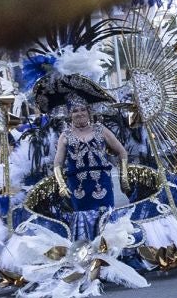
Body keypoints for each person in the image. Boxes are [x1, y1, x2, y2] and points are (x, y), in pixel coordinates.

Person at [50, 101, 128, 240]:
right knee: (82, 215)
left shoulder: (100, 130)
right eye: (75, 111)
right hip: (78, 187)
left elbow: (122, 152)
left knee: (106, 215)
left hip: (102, 183)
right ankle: (86, 253)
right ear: (69, 114)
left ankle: (109, 249)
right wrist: (62, 185)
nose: (79, 113)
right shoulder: (65, 135)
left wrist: (124, 178)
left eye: (82, 110)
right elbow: (57, 163)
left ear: (88, 112)